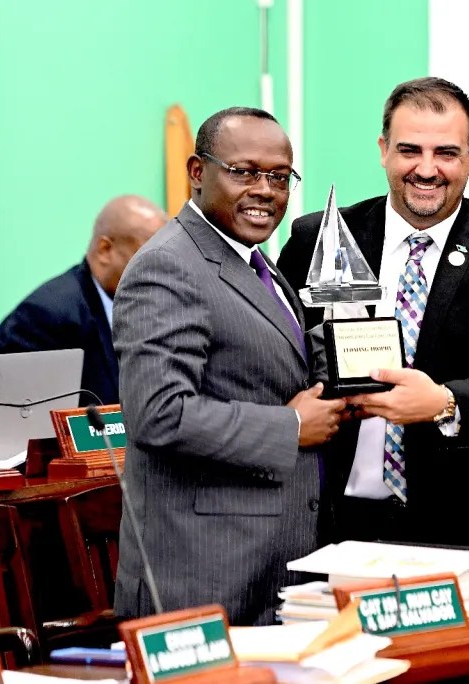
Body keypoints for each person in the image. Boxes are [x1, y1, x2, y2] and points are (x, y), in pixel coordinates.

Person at [277, 77, 469, 544]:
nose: (426, 170)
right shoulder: (319, 238)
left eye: (446, 153)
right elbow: (278, 346)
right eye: (410, 150)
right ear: (383, 149)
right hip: (323, 512)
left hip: (453, 516)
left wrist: (445, 401)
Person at [112, 107, 349, 626]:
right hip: (204, 576)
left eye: (279, 177)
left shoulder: (256, 261)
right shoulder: (168, 265)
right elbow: (159, 413)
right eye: (244, 172)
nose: (265, 190)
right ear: (198, 172)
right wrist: (289, 428)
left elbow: (274, 366)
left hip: (275, 563)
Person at [0, 195, 167, 405]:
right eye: (148, 256)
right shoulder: (45, 318)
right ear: (105, 250)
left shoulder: (151, 311)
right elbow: (16, 424)